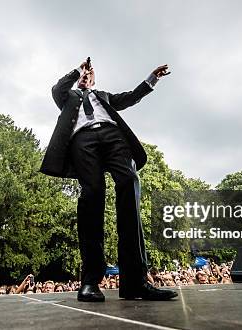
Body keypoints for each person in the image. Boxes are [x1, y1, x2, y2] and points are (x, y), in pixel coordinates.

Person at [40, 58, 177, 302]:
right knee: (92, 194)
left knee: (128, 181)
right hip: (82, 140)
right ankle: (90, 281)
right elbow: (57, 89)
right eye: (84, 76)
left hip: (113, 135)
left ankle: (135, 282)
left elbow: (131, 97)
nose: (86, 78)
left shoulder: (103, 96)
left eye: (90, 76)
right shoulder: (68, 98)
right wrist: (78, 71)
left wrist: (152, 78)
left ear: (94, 81)